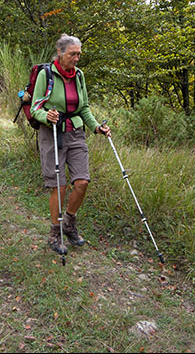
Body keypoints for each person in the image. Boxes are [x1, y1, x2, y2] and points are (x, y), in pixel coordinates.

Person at [30, 33, 111, 256]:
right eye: (72, 54)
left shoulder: (79, 76)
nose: (76, 58)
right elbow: (36, 107)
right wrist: (47, 116)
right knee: (59, 185)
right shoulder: (46, 74)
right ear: (60, 52)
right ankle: (55, 232)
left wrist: (96, 127)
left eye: (78, 55)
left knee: (82, 182)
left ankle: (69, 222)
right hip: (52, 132)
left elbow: (83, 107)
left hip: (75, 131)